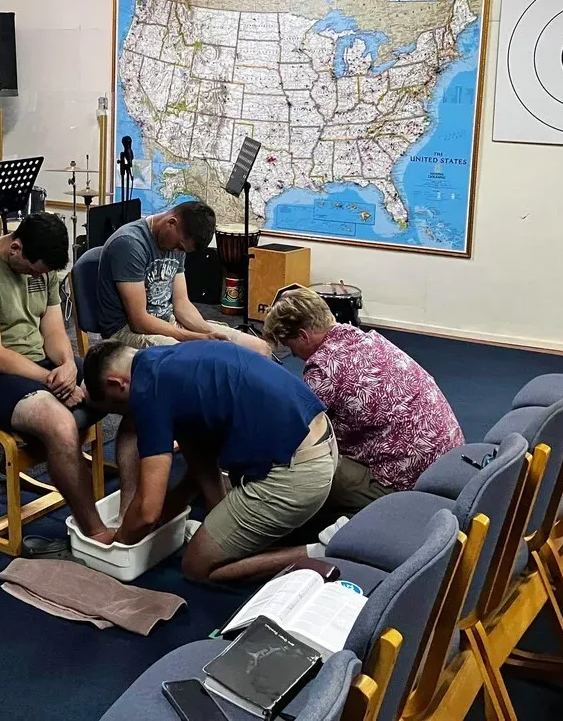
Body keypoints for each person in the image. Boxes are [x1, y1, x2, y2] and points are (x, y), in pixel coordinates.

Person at [83, 338, 338, 583]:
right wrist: (209, 516)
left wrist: (119, 545)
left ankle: (323, 549)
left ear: (117, 384)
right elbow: (199, 452)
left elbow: (148, 512)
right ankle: (226, 526)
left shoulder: (147, 391)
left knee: (197, 566)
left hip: (299, 473)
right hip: (319, 439)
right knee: (195, 443)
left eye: (117, 409)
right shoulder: (166, 357)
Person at [0, 212, 110, 543]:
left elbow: (52, 329)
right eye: (34, 269)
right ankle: (94, 531)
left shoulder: (43, 266)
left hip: (39, 364)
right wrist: (54, 381)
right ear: (16, 247)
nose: (37, 276)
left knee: (125, 377)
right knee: (60, 423)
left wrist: (66, 364)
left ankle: (140, 499)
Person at [264, 286, 464, 518]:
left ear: (303, 336)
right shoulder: (366, 339)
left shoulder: (325, 368)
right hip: (447, 463)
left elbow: (293, 431)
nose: (296, 355)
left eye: (290, 346)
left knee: (298, 465)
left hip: (407, 483)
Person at [96, 202, 271, 356]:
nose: (178, 252)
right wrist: (196, 338)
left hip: (168, 323)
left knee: (259, 348)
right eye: (179, 247)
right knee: (195, 359)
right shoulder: (129, 244)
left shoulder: (176, 245)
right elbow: (139, 321)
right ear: (171, 223)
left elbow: (182, 304)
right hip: (126, 331)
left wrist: (211, 334)